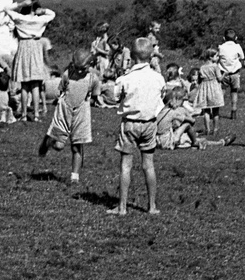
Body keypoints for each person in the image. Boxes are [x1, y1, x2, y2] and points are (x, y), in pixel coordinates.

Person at [111, 36, 164, 215]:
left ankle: (122, 206)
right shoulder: (158, 78)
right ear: (151, 55)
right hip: (150, 124)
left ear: (132, 55)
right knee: (148, 165)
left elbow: (115, 96)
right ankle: (151, 206)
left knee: (126, 165)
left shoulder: (125, 78)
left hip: (130, 124)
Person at [40, 50, 97, 183]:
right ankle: (49, 141)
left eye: (82, 69)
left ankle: (74, 176)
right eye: (75, 68)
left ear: (91, 65)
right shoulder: (67, 75)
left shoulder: (93, 79)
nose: (79, 72)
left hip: (82, 113)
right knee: (59, 146)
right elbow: (62, 91)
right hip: (65, 110)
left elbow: (94, 96)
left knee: (77, 145)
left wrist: (89, 99)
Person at [217, 30, 245, 120]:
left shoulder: (221, 47)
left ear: (224, 38)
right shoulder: (237, 47)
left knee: (222, 91)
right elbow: (242, 57)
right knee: (234, 91)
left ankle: (216, 111)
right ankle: (234, 110)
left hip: (223, 73)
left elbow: (218, 58)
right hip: (235, 73)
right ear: (235, 38)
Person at [196, 54, 226, 136]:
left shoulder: (202, 67)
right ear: (210, 57)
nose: (218, 58)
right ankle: (215, 129)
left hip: (204, 88)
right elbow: (219, 79)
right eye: (216, 56)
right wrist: (224, 74)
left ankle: (207, 129)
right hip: (214, 88)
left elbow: (199, 80)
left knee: (206, 110)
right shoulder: (215, 66)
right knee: (216, 110)